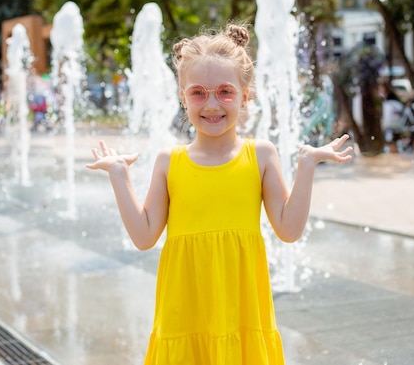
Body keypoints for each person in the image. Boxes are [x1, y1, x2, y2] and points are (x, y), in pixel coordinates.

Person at [86, 23, 353, 364]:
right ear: (183, 97)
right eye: (198, 92)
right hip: (185, 313)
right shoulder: (170, 161)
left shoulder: (260, 155)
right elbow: (144, 236)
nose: (211, 103)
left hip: (241, 314)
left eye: (225, 91)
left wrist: (307, 165)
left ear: (245, 95)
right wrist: (120, 175)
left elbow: (289, 230)